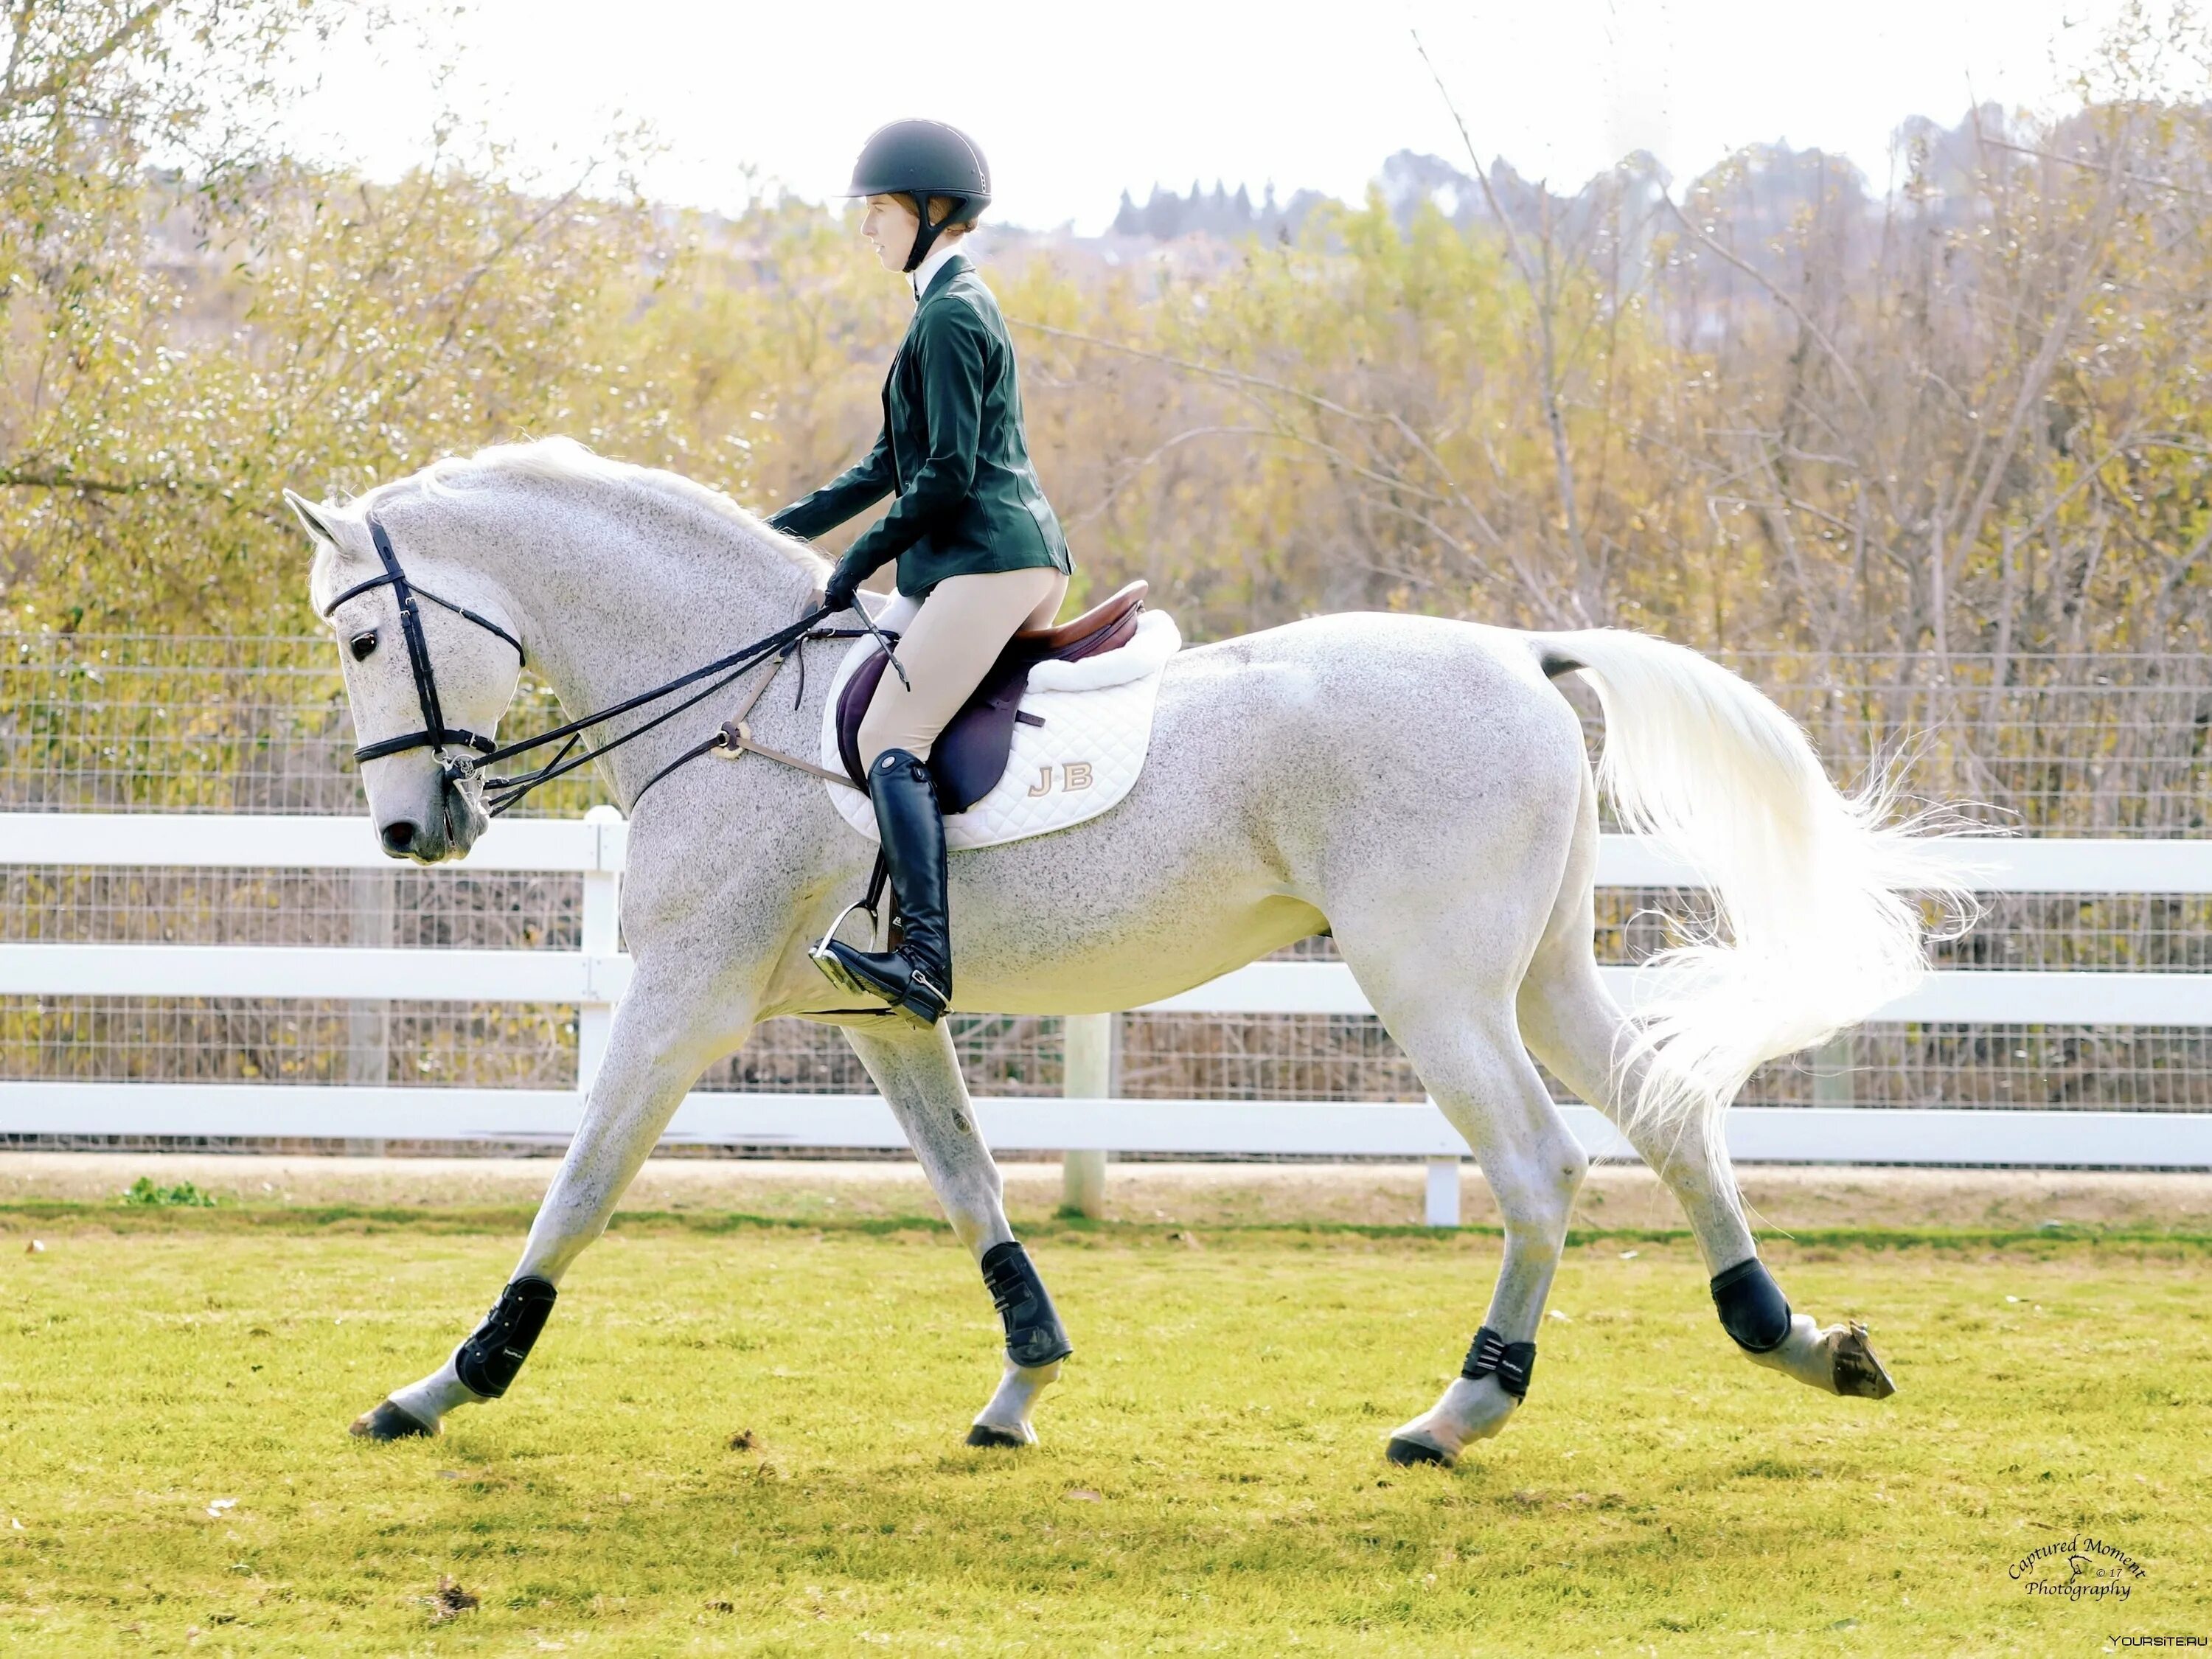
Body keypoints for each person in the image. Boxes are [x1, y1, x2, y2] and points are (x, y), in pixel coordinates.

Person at [767, 119, 1072, 1029]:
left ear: (932, 212)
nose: (867, 230)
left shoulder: (949, 314)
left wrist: (853, 562)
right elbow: (884, 466)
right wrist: (771, 534)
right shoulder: (941, 307)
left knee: (892, 733)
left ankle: (925, 961)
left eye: (880, 212)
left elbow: (944, 475)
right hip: (962, 559)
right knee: (854, 706)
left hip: (990, 559)